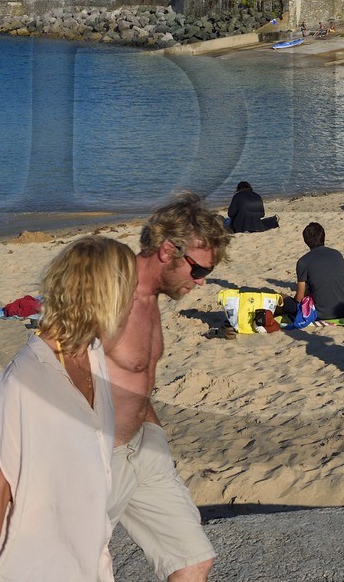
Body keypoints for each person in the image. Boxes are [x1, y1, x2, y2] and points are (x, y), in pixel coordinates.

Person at [0, 236, 136, 581]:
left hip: (88, 557)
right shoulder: (24, 380)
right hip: (34, 565)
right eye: (125, 293)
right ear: (98, 296)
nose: (132, 302)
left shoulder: (92, 354)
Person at [105, 193, 231, 582]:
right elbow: (53, 369)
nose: (202, 280)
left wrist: (155, 434)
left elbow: (136, 376)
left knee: (193, 560)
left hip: (144, 447)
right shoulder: (107, 294)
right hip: (96, 456)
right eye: (199, 269)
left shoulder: (150, 298)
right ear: (167, 251)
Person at [294, 222, 344, 320]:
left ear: (305, 241)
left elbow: (299, 298)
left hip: (322, 314)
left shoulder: (303, 261)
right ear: (323, 237)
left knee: (286, 301)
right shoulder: (337, 254)